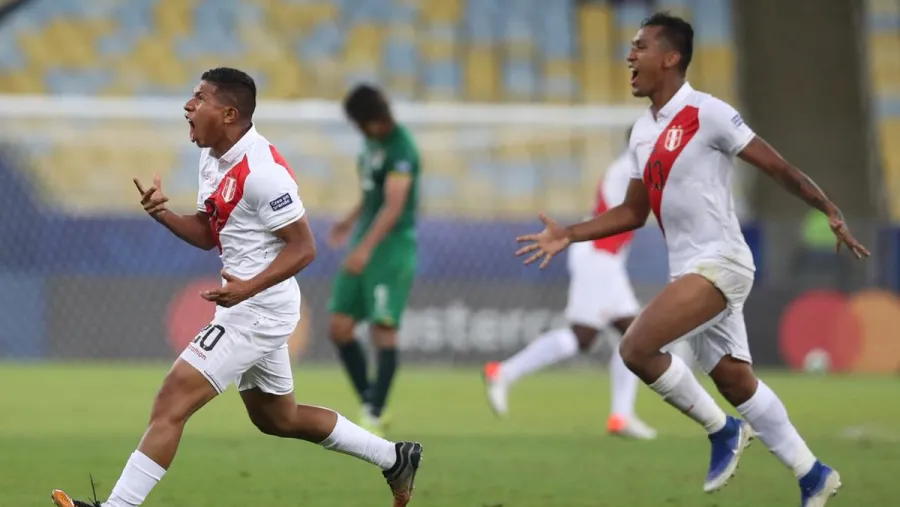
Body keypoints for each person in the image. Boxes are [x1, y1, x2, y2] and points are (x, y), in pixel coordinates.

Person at [514, 13, 867, 507]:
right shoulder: (641, 133)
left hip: (722, 261)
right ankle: (812, 474)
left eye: (640, 47)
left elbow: (778, 167)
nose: (630, 56)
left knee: (636, 348)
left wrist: (827, 208)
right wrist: (569, 234)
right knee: (734, 380)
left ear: (670, 57)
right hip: (689, 270)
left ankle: (722, 430)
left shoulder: (708, 113)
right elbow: (634, 212)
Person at [50, 68, 422, 507]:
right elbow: (211, 231)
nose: (188, 106)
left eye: (198, 98)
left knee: (172, 400)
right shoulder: (213, 158)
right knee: (278, 418)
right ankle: (393, 457)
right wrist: (162, 215)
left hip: (259, 309)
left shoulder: (263, 172)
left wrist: (249, 289)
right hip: (248, 304)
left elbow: (304, 248)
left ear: (228, 113)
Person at [483, 128, 656, 439]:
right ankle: (504, 372)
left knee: (630, 337)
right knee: (592, 338)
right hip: (598, 260)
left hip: (606, 261)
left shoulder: (631, 170)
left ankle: (621, 416)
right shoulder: (629, 171)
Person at [327, 84, 420, 436]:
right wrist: (349, 222)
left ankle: (375, 413)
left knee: (383, 328)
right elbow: (372, 196)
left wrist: (365, 248)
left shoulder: (402, 148)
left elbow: (394, 206)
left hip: (391, 246)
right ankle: (371, 400)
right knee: (339, 327)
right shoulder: (371, 144)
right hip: (363, 237)